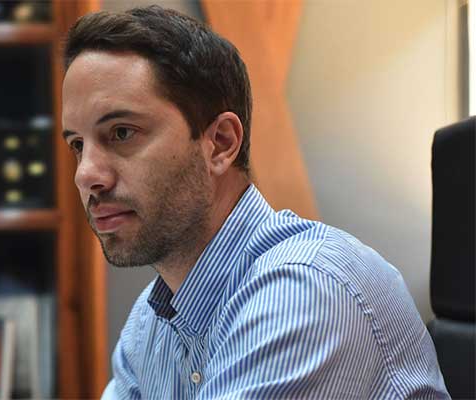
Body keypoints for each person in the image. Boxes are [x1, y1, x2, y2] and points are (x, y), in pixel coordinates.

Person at [61, 6, 449, 399]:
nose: (86, 174)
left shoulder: (305, 291)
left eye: (122, 132)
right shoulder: (150, 321)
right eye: (77, 145)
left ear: (220, 143)